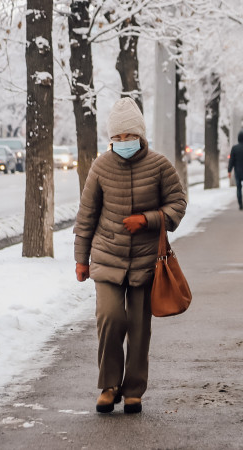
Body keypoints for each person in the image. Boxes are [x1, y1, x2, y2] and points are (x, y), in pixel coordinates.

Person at [73, 97, 187, 415]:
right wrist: (81, 259)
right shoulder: (101, 166)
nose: (123, 142)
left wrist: (148, 219)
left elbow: (178, 205)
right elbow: (86, 216)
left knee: (139, 327)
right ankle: (109, 386)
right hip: (107, 258)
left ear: (140, 135)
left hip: (146, 261)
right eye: (117, 137)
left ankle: (134, 390)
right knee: (110, 318)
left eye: (129, 136)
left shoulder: (160, 166)